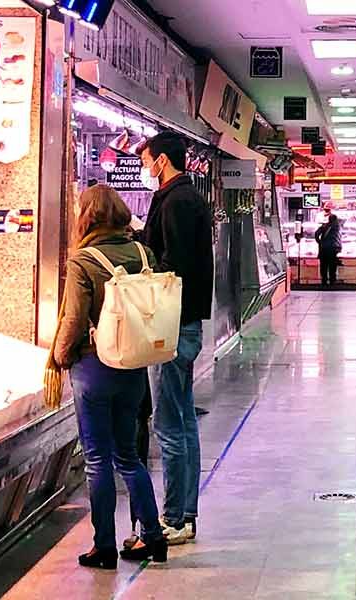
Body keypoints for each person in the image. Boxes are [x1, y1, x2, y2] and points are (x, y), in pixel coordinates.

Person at [49, 185, 167, 568]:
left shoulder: (83, 261)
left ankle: (103, 546)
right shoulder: (142, 252)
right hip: (133, 365)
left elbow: (73, 318)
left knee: (98, 460)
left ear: (86, 216)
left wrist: (59, 357)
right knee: (129, 456)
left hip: (94, 366)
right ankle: (153, 536)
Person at [134, 131, 213, 546]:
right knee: (181, 422)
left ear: (162, 161)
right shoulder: (187, 198)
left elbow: (173, 267)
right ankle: (185, 514)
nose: (146, 167)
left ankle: (177, 518)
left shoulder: (177, 202)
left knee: (169, 424)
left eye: (148, 160)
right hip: (180, 324)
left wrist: (141, 254)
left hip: (171, 327)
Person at [313, 210, 342, 286]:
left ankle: (324, 281)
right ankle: (332, 281)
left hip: (324, 249)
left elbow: (316, 234)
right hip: (333, 249)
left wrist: (319, 242)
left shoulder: (324, 226)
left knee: (324, 266)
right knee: (332, 266)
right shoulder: (338, 227)